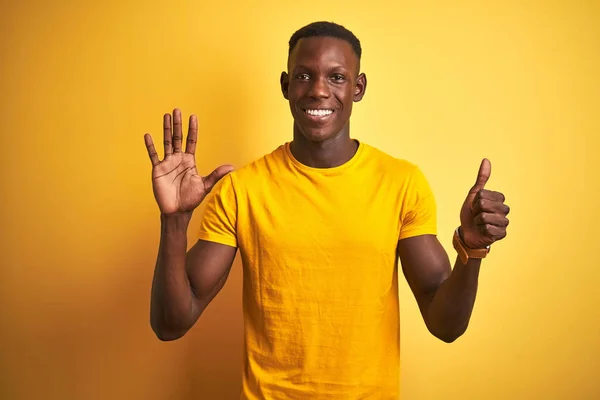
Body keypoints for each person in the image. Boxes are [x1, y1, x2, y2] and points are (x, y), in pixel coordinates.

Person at [144, 21, 510, 400]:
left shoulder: (401, 183)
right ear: (286, 86)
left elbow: (445, 324)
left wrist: (472, 248)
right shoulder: (242, 190)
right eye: (304, 75)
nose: (319, 90)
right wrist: (174, 220)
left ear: (358, 87)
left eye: (337, 77)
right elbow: (171, 322)